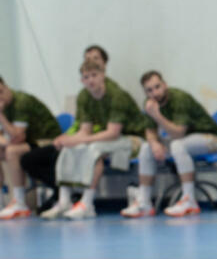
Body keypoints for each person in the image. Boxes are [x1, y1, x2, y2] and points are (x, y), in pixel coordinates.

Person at [40, 59, 146, 220]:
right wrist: (67, 140)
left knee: (93, 149)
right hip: (108, 138)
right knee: (69, 147)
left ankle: (87, 204)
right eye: (86, 77)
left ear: (103, 75)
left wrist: (80, 140)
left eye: (94, 75)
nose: (90, 80)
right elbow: (85, 130)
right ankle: (64, 201)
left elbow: (113, 133)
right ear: (82, 80)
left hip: (133, 138)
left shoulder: (118, 95)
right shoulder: (84, 96)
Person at [20, 44, 114, 212]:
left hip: (94, 141)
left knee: (68, 152)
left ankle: (74, 200)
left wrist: (72, 141)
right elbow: (80, 125)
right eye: (87, 59)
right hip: (77, 138)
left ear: (104, 66)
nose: (91, 63)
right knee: (29, 159)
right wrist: (65, 138)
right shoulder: (84, 95)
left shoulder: (111, 93)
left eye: (95, 59)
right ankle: (62, 196)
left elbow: (101, 130)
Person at [120, 71, 217, 218]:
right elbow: (150, 131)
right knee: (146, 148)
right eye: (149, 90)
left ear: (165, 85)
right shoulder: (149, 104)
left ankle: (189, 200)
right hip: (185, 141)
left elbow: (179, 133)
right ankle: (144, 202)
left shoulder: (179, 99)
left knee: (177, 145)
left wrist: (157, 115)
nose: (154, 93)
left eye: (157, 87)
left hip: (214, 139)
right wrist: (154, 144)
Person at [0, 77, 62, 219]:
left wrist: (0, 116)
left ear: (6, 86)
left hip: (48, 140)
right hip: (30, 142)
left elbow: (18, 136)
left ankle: (20, 202)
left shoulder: (21, 102)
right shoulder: (5, 106)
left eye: (1, 91)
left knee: (12, 151)